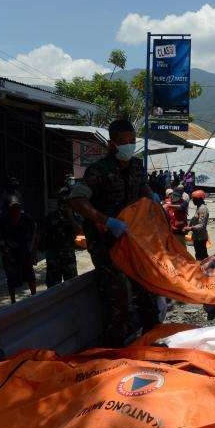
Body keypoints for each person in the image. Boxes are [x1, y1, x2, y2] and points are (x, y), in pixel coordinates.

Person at [69, 118, 160, 346]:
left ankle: (152, 339)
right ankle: (115, 348)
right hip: (105, 241)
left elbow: (142, 187)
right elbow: (77, 200)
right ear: (112, 144)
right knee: (119, 295)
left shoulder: (137, 166)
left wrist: (152, 196)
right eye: (124, 142)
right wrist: (106, 221)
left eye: (132, 141)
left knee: (148, 287)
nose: (129, 146)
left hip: (131, 239)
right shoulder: (98, 170)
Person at [0, 198, 37, 303]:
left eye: (18, 207)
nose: (16, 210)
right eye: (13, 207)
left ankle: (34, 296)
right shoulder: (3, 220)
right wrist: (3, 248)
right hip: (10, 253)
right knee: (12, 278)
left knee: (30, 275)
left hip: (25, 251)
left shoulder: (26, 218)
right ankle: (13, 301)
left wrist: (32, 250)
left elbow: (34, 232)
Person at [41, 188, 81, 287]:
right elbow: (43, 235)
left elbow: (79, 231)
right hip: (54, 256)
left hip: (68, 255)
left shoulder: (73, 216)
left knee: (72, 285)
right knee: (53, 288)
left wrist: (71, 216)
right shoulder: (51, 217)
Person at [186, 189, 210, 260]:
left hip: (201, 237)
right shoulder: (199, 208)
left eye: (194, 199)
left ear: (199, 199)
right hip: (197, 236)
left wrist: (190, 228)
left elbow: (201, 225)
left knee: (202, 256)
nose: (193, 201)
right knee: (198, 255)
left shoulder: (202, 209)